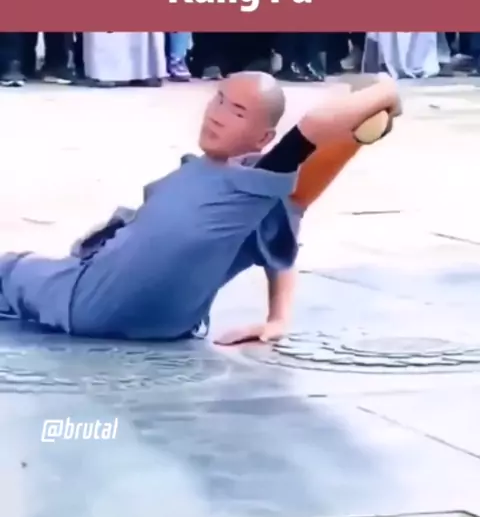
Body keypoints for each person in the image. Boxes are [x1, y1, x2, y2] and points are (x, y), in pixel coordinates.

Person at [0, 73, 400, 344]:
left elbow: (313, 125)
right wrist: (278, 318)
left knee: (9, 270)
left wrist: (385, 90)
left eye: (237, 112)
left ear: (263, 138)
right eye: (218, 101)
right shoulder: (227, 185)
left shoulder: (250, 187)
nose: (217, 116)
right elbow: (282, 244)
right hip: (103, 291)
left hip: (88, 302)